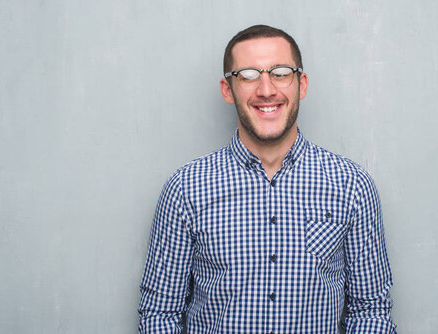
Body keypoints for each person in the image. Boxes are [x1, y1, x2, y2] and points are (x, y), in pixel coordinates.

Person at [138, 24, 396, 334]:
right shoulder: (185, 189)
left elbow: (370, 312)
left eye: (281, 72)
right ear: (227, 89)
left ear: (301, 84)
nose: (266, 89)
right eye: (247, 75)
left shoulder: (352, 187)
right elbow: (160, 314)